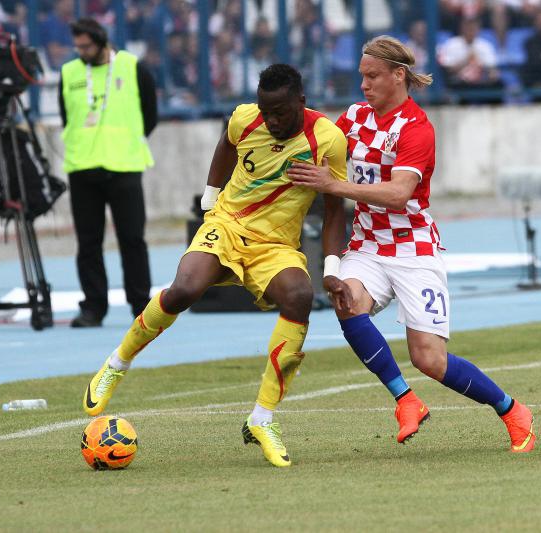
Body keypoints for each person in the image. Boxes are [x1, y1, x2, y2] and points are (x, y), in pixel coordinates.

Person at [82, 64, 349, 468]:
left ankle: (262, 419)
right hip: (227, 225)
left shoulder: (328, 140)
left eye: (280, 112)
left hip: (274, 244)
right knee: (184, 290)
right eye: (266, 111)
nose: (271, 120)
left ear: (301, 103)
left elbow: (334, 209)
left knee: (298, 297)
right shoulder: (246, 118)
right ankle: (116, 364)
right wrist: (210, 198)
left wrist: (332, 267)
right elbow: (227, 142)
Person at [287, 35, 536, 453]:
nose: (363, 85)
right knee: (347, 301)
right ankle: (406, 399)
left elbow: (400, 192)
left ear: (398, 75)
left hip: (414, 248)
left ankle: (512, 410)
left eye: (372, 76)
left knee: (430, 359)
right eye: (361, 76)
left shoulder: (416, 128)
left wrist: (336, 184)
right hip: (367, 245)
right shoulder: (354, 117)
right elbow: (316, 131)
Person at [58, 17, 158, 327]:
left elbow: (150, 115)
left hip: (124, 166)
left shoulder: (132, 66)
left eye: (86, 46)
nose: (81, 51)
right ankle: (93, 307)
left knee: (132, 239)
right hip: (82, 168)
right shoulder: (69, 71)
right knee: (88, 243)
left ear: (102, 42)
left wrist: (124, 142)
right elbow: (67, 117)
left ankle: (141, 306)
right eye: (77, 46)